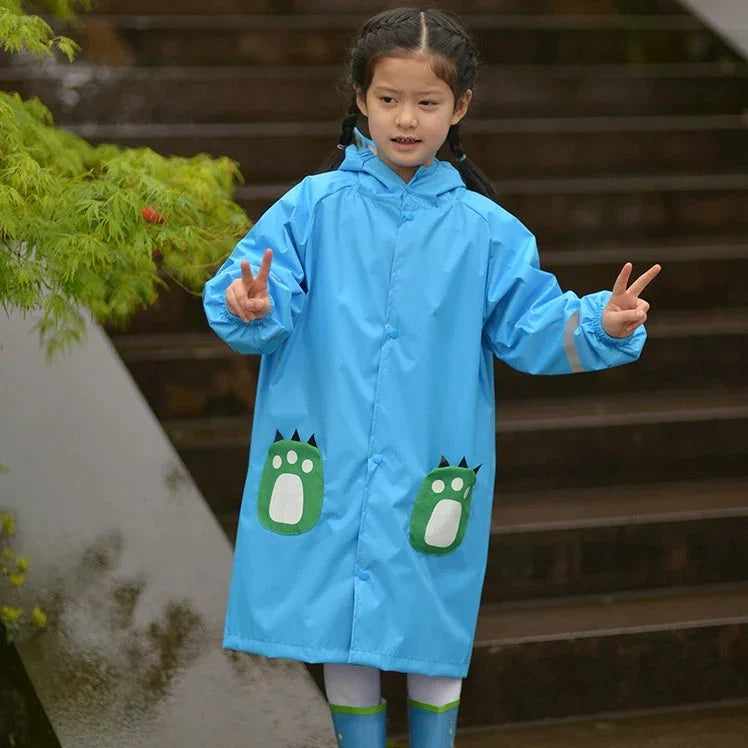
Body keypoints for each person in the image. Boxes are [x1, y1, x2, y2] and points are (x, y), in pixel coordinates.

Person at [203, 7, 661, 746]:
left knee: (427, 622)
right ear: (360, 97)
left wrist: (601, 325)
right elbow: (258, 290)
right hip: (332, 442)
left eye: (427, 102)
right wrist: (250, 304)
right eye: (389, 99)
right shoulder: (311, 208)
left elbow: (531, 322)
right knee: (341, 629)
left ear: (461, 107)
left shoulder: (486, 228)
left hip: (431, 453)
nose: (406, 119)